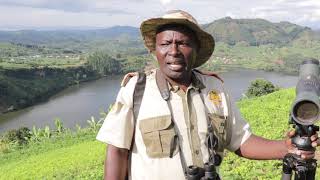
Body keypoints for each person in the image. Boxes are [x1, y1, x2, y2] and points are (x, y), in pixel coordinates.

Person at [96, 10, 319, 180]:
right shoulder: (136, 90)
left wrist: (287, 148)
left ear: (196, 49)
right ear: (156, 49)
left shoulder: (214, 89)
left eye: (182, 43)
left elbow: (241, 141)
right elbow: (117, 152)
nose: (173, 51)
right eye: (165, 44)